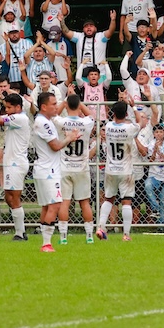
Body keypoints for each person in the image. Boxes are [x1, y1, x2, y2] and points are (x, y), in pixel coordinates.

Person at [32, 91, 81, 252]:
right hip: (48, 171)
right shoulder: (44, 123)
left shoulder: (45, 120)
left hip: (44, 169)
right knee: (55, 204)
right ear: (44, 107)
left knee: (47, 206)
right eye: (53, 104)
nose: (56, 107)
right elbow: (55, 146)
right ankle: (46, 243)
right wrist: (69, 138)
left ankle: (45, 242)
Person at [0, 89, 31, 241]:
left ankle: (20, 232)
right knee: (8, 197)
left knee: (14, 197)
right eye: (6, 107)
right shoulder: (16, 117)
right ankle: (20, 230)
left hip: (16, 163)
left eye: (9, 107)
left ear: (18, 107)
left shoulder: (20, 118)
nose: (6, 110)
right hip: (11, 162)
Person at [53, 95, 96, 245]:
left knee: (64, 202)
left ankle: (63, 237)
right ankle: (89, 236)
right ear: (79, 106)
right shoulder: (86, 123)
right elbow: (92, 115)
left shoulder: (61, 122)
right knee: (84, 202)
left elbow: (54, 114)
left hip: (65, 167)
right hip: (81, 167)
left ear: (66, 106)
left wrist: (64, 101)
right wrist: (80, 103)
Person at [97, 100, 141, 242]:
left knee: (109, 198)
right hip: (125, 170)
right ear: (126, 114)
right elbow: (140, 122)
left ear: (113, 113)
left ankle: (101, 227)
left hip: (111, 169)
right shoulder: (129, 128)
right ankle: (126, 234)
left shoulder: (108, 127)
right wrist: (134, 106)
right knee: (126, 201)